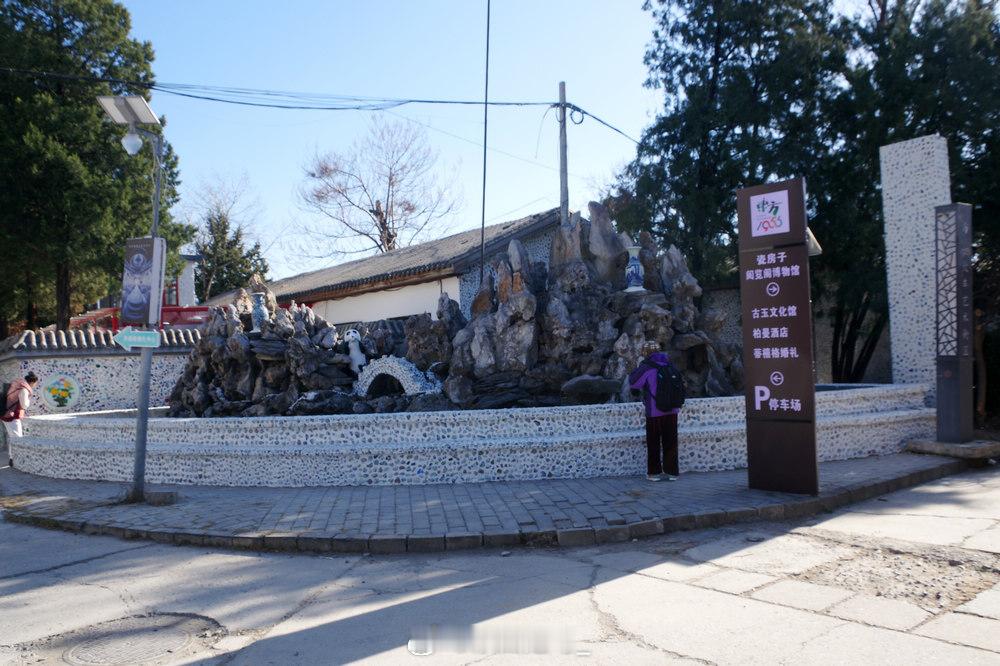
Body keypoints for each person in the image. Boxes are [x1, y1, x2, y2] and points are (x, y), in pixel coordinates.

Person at [628, 346, 682, 482]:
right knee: (671, 441)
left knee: (653, 442)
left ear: (646, 353)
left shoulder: (647, 367)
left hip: (654, 411)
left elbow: (634, 383)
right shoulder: (670, 365)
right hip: (672, 410)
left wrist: (637, 369)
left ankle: (654, 473)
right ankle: (672, 473)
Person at [2, 371, 39, 467]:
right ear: (32, 382)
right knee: (17, 438)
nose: (35, 385)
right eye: (36, 383)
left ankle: (12, 458)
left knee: (13, 437)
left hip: (7, 414)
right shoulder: (24, 389)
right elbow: (24, 405)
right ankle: (17, 459)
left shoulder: (18, 385)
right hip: (12, 416)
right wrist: (28, 401)